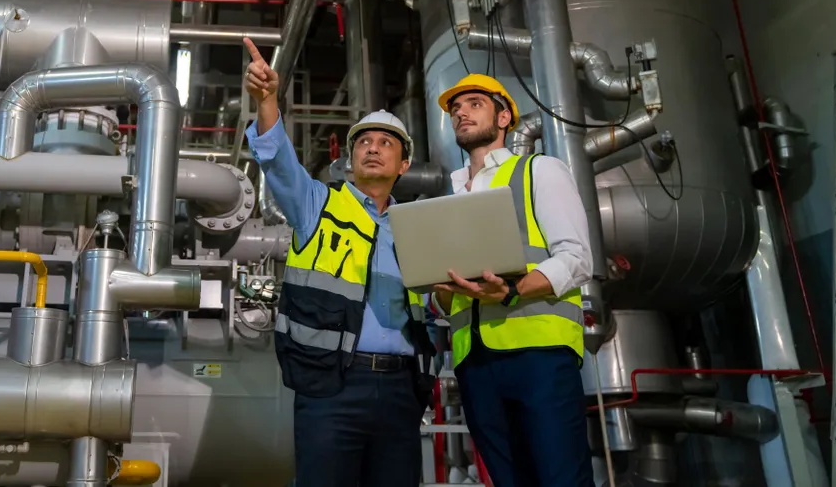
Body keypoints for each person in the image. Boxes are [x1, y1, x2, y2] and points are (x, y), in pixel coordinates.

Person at [241, 38, 435, 487]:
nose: (372, 148)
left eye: (385, 143)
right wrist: (268, 100)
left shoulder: (416, 226)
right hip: (332, 386)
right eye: (363, 141)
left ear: (403, 164)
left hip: (402, 391)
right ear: (349, 159)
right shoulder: (317, 204)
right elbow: (277, 159)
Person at [430, 73, 594, 487]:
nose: (460, 113)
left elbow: (576, 259)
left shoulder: (539, 171)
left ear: (504, 117)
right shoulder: (447, 197)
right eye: (455, 108)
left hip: (540, 354)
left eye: (473, 104)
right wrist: (441, 294)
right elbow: (442, 301)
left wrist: (512, 291)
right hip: (474, 363)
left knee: (561, 479)